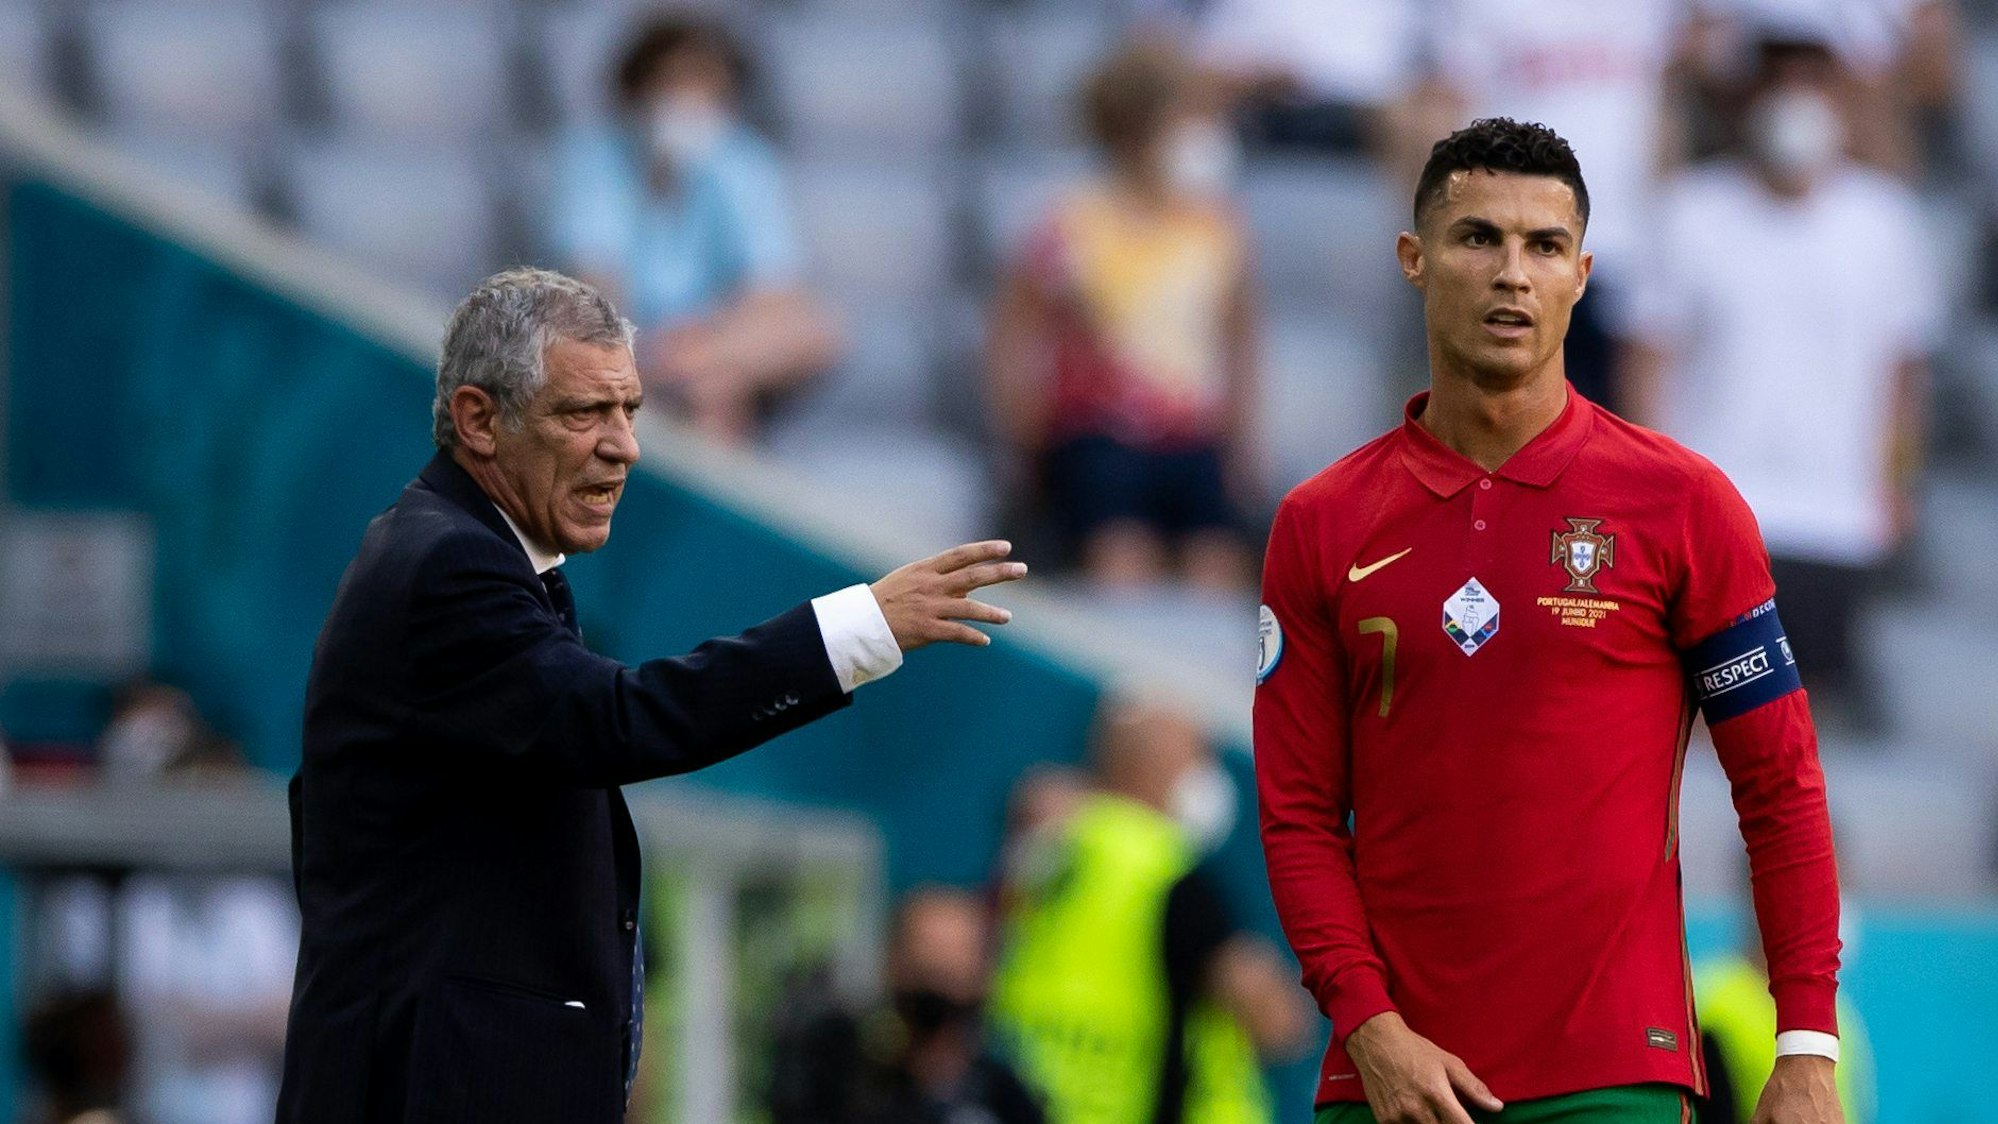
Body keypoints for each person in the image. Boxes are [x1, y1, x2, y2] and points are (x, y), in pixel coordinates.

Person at [276, 268, 1026, 1124]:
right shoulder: (448, 564)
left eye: (629, 408)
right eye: (583, 412)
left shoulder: (480, 555)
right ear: (480, 420)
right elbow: (618, 720)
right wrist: (861, 626)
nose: (624, 444)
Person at [1255, 119, 1844, 1123]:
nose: (1511, 273)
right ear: (1415, 259)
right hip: (1394, 1080)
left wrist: (1805, 1047)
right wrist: (1371, 1026)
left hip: (1612, 1075)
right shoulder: (1322, 522)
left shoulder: (1683, 503)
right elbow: (1301, 815)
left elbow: (1778, 783)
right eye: (1478, 237)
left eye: (1543, 246)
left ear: (1581, 273)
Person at [1619, 33, 1941, 733]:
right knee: (1693, 718)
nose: (1795, 101)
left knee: (1798, 722)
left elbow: (1902, 370)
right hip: (1713, 516)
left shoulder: (1886, 223)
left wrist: (1895, 479)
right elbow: (1650, 357)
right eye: (1778, 81)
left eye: (1813, 81)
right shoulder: (1689, 211)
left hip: (1834, 515)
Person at [985, 40, 1260, 590]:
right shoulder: (1069, 226)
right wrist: (1026, 445)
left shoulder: (1216, 228)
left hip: (1192, 441)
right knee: (1122, 562)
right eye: (1191, 117)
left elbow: (1239, 342)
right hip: (1097, 440)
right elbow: (1012, 337)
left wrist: (1239, 447)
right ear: (1145, 127)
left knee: (1218, 566)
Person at [989, 700, 1312, 1124]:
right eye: (1199, 757)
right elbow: (1280, 1025)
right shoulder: (1170, 873)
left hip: (1023, 1097)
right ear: (1162, 767)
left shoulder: (1044, 843)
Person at [553, 13, 840, 444]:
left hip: (708, 348)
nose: (689, 99)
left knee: (809, 330)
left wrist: (703, 348)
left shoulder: (743, 162)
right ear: (637, 90)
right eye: (674, 82)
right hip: (623, 348)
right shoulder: (593, 160)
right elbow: (594, 287)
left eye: (706, 86)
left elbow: (772, 292)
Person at [768, 888, 1045, 1124]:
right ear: (893, 964)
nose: (940, 982)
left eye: (956, 962)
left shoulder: (1005, 1099)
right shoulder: (842, 1082)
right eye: (927, 962)